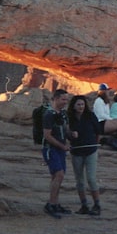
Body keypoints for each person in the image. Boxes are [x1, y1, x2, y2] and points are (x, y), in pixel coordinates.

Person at [67, 94, 101, 215]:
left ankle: (97, 204)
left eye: (82, 104)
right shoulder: (69, 117)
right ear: (74, 106)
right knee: (79, 180)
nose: (81, 106)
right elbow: (66, 132)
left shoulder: (90, 116)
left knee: (91, 178)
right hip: (77, 151)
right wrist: (71, 134)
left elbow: (98, 131)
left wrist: (95, 143)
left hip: (90, 150)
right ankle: (84, 205)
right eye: (78, 104)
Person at [42, 88, 71, 219]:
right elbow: (47, 136)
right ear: (56, 99)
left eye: (66, 99)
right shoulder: (49, 115)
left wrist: (71, 135)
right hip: (50, 148)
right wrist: (62, 146)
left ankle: (55, 203)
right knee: (58, 174)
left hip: (60, 149)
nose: (66, 102)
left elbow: (66, 130)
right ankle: (51, 204)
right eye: (63, 99)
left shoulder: (63, 114)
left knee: (58, 176)